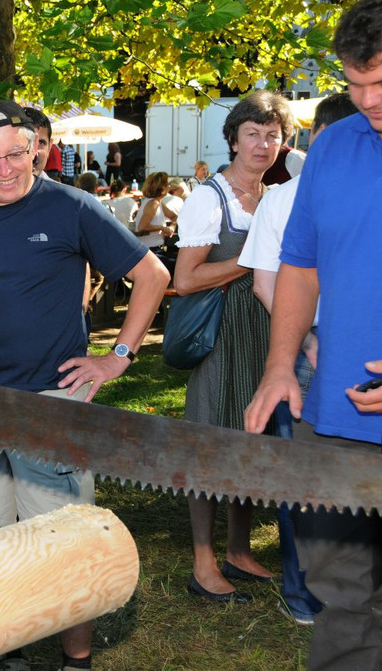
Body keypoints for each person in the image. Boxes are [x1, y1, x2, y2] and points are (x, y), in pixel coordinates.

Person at [0, 100, 169, 671]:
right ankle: (0, 648)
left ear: (35, 147)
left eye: (15, 153)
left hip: (53, 399)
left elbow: (153, 275)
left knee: (62, 547)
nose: (5, 168)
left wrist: (118, 356)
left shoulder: (71, 206)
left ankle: (74, 660)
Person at [244, 0, 382, 666]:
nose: (368, 100)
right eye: (355, 84)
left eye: (381, 83)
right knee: (343, 596)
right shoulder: (332, 147)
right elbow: (298, 264)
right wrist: (280, 364)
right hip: (335, 420)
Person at [237, 92, 358, 627]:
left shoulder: (286, 197)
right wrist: (306, 342)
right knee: (306, 476)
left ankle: (313, 594)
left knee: (308, 476)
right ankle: (310, 594)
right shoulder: (285, 200)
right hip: (312, 351)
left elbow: (266, 284)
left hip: (328, 347)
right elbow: (268, 283)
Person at [173, 89, 294, 603]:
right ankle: (203, 564)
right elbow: (184, 279)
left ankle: (238, 551)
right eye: (253, 134)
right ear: (233, 139)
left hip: (266, 331)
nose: (263, 145)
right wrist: (251, 258)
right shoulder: (210, 198)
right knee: (210, 443)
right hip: (222, 334)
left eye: (273, 135)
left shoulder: (276, 196)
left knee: (252, 440)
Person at [135, 171, 174, 252]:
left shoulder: (157, 202)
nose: (169, 186)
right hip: (150, 248)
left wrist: (171, 227)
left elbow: (174, 216)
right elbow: (142, 227)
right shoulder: (153, 203)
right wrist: (162, 228)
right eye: (167, 184)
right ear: (161, 187)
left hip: (154, 247)